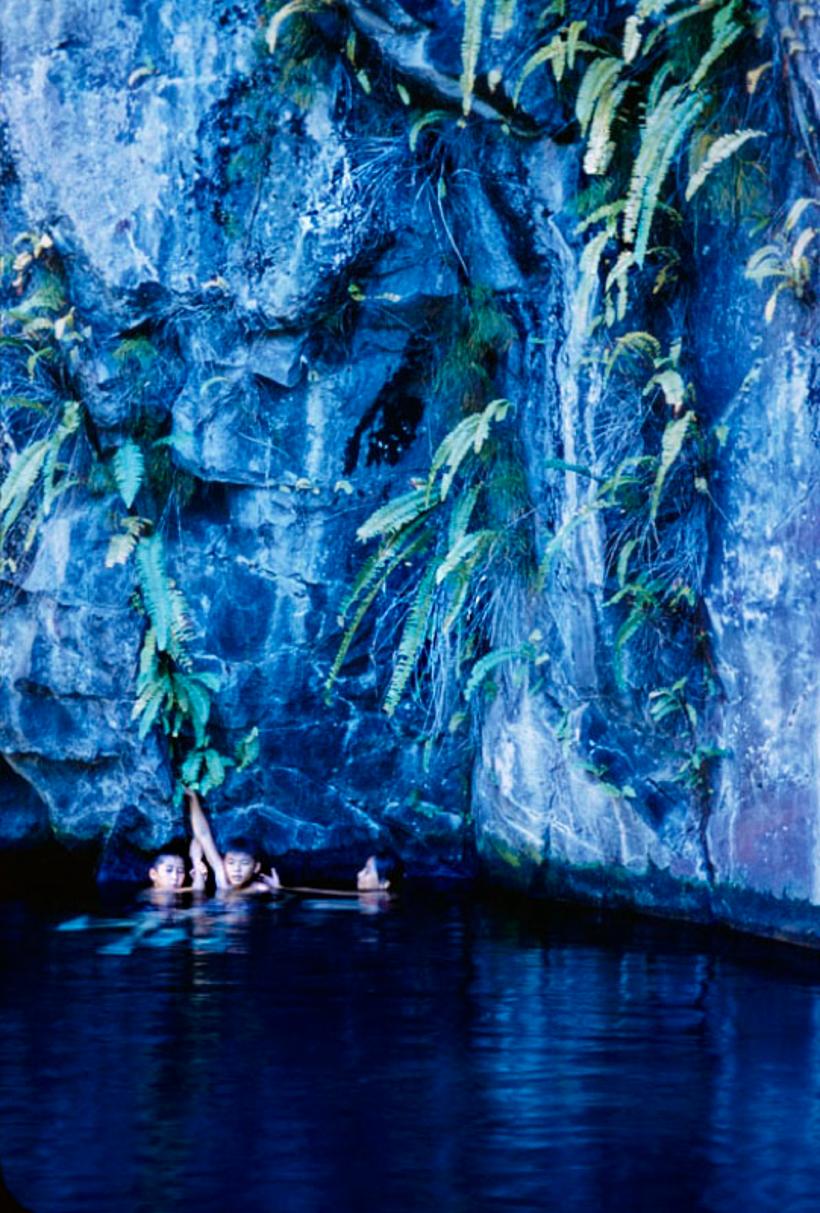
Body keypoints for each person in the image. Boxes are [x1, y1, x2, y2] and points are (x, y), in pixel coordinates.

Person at [186, 788, 280, 894]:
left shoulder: (258, 889)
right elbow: (204, 835)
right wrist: (193, 798)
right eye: (231, 863)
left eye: (244, 863)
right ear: (223, 863)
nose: (237, 869)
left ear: (256, 867)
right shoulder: (222, 881)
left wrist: (277, 890)